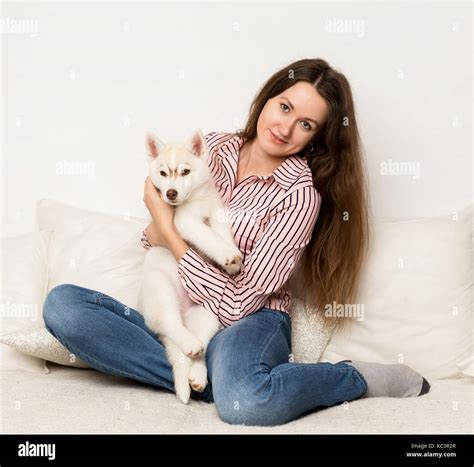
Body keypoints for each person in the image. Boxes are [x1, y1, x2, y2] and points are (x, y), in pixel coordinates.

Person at [43, 58, 430, 427]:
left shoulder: (299, 196)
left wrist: (169, 230)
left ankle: (350, 378)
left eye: (306, 123)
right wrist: (162, 231)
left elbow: (239, 302)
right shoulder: (212, 148)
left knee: (248, 402)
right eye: (284, 107)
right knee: (64, 307)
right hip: (182, 304)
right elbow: (152, 235)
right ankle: (208, 372)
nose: (285, 127)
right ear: (268, 98)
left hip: (252, 318)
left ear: (317, 138)